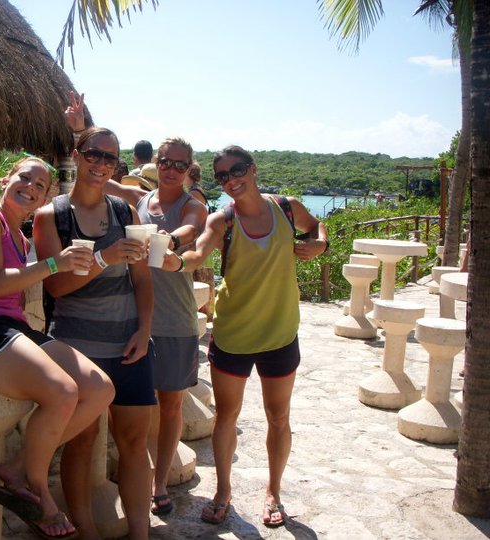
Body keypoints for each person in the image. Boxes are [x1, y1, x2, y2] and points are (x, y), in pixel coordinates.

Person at [0, 156, 114, 539]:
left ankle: (17, 468)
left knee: (100, 388)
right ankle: (37, 488)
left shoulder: (21, 239)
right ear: (6, 180)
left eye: (40, 185)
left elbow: (12, 294)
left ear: (44, 198)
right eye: (24, 178)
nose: (30, 187)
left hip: (8, 329)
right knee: (63, 392)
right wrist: (55, 263)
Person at [161, 145, 328, 528]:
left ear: (252, 169)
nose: (230, 180)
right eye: (222, 176)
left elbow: (317, 226)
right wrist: (176, 262)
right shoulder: (223, 220)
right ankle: (223, 492)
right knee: (226, 418)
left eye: (236, 170)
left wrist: (320, 243)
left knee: (278, 417)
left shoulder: (287, 208)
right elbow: (198, 254)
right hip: (233, 334)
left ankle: (274, 493)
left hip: (280, 332)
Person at [33, 127, 155, 540]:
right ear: (77, 154)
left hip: (129, 344)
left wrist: (145, 329)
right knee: (82, 443)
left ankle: (141, 534)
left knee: (134, 442)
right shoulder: (51, 216)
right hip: (77, 346)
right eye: (93, 154)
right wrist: (103, 258)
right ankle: (85, 532)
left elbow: (142, 279)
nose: (101, 164)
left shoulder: (125, 213)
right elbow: (56, 286)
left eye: (110, 158)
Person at [103, 137, 208, 517]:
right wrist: (77, 133)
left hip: (176, 322)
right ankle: (135, 471)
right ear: (157, 163)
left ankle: (159, 482)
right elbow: (99, 177)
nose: (171, 169)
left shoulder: (193, 205)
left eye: (180, 165)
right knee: (129, 405)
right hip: (134, 320)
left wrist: (171, 239)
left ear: (189, 169)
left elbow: (191, 228)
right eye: (166, 162)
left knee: (171, 405)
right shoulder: (140, 201)